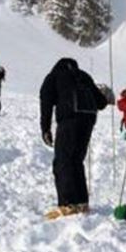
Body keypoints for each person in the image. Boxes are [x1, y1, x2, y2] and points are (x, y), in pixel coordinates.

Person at [40, 58, 107, 219]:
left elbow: (46, 101)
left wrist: (46, 129)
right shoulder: (84, 75)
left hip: (69, 118)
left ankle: (68, 204)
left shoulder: (54, 76)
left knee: (63, 161)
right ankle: (81, 202)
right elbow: (102, 102)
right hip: (89, 119)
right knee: (76, 160)